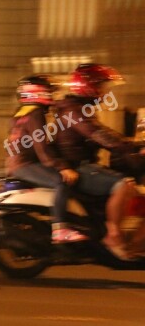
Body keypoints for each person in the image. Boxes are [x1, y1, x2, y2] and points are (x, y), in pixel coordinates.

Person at [54, 63, 140, 260]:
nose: (105, 91)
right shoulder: (73, 111)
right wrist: (125, 146)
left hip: (85, 164)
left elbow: (103, 132)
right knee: (123, 185)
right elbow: (96, 134)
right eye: (102, 86)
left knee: (131, 189)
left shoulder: (80, 108)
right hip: (79, 167)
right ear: (89, 86)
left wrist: (132, 144)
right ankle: (113, 236)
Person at [5, 75, 87, 243]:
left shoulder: (20, 113)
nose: (51, 95)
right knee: (61, 182)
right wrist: (61, 166)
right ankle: (60, 229)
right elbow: (41, 147)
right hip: (25, 165)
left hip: (16, 164)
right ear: (37, 92)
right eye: (48, 90)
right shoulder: (35, 113)